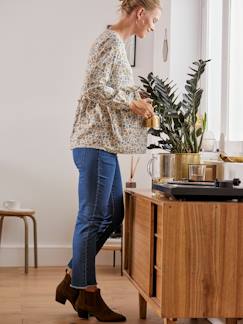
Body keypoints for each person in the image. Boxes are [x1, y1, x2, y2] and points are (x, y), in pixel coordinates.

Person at [55, 0, 161, 321]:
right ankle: (88, 293)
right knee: (91, 217)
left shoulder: (117, 46)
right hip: (94, 142)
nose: (153, 27)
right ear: (140, 13)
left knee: (114, 214)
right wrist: (131, 104)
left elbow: (109, 90)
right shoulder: (109, 41)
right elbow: (94, 88)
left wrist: (137, 101)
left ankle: (73, 278)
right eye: (154, 20)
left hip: (104, 145)